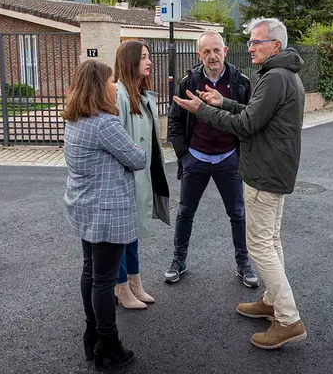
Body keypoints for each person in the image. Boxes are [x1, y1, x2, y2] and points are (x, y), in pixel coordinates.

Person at [172, 18, 307, 349]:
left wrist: (204, 110)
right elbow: (255, 114)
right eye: (249, 42)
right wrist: (223, 102)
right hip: (273, 170)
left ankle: (287, 318)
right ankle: (272, 301)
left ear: (276, 45)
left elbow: (246, 125)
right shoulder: (283, 75)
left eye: (256, 42)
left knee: (260, 244)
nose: (250, 47)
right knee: (271, 241)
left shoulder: (274, 78)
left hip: (264, 172)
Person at [63, 60, 145, 368]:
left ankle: (92, 335)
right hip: (106, 212)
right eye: (111, 81)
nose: (115, 85)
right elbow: (137, 159)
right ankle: (109, 345)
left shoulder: (74, 118)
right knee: (104, 281)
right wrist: (139, 150)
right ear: (100, 86)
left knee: (90, 273)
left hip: (84, 208)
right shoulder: (105, 124)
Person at [165, 30, 258, 288]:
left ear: (225, 51)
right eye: (206, 51)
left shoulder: (240, 83)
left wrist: (241, 156)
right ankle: (178, 260)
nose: (212, 56)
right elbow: (174, 120)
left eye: (216, 50)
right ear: (199, 55)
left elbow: (249, 119)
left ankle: (243, 264)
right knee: (185, 212)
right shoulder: (189, 82)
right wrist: (184, 156)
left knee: (237, 214)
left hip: (229, 159)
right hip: (195, 157)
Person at [113, 40, 171, 309]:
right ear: (130, 61)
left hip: (143, 174)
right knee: (124, 234)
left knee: (133, 232)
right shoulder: (119, 95)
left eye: (149, 57)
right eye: (144, 57)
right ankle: (121, 286)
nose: (149, 62)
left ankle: (135, 282)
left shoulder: (141, 94)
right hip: (126, 178)